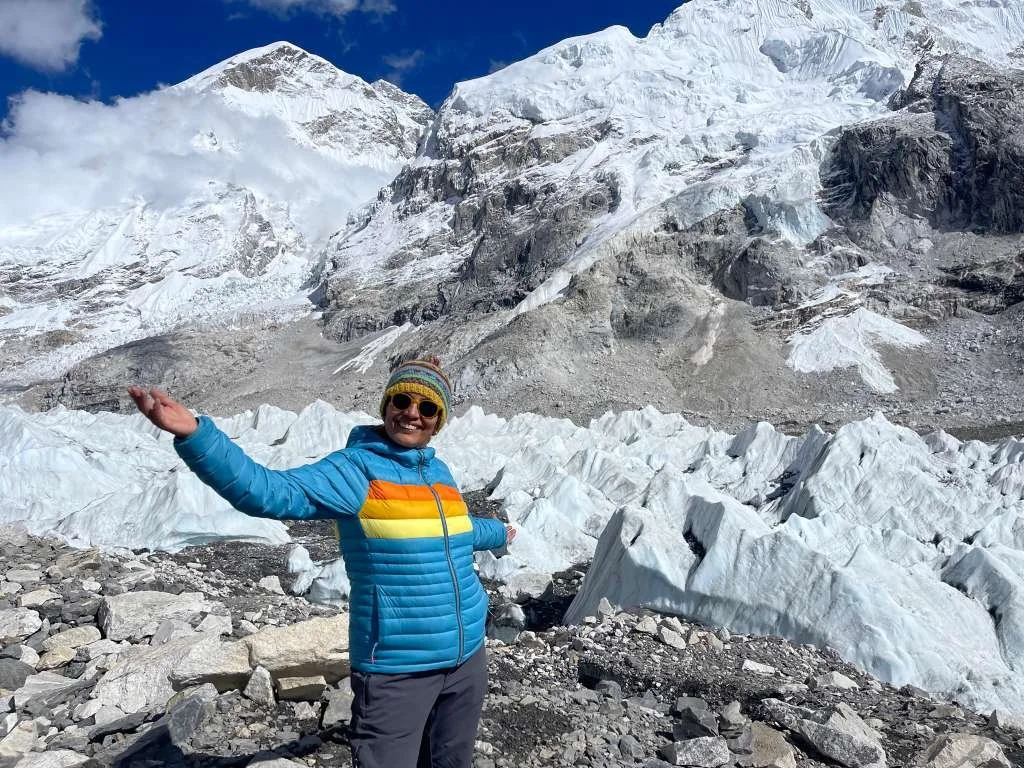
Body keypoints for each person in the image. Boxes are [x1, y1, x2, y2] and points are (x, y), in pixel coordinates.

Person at [128, 356, 515, 768]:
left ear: (439, 420)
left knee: (452, 761)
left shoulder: (438, 474)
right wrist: (197, 437)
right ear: (385, 405)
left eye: (427, 408)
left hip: (466, 657)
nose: (411, 414)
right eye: (402, 400)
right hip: (399, 665)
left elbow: (456, 529)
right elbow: (269, 492)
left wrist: (498, 532)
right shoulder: (356, 471)